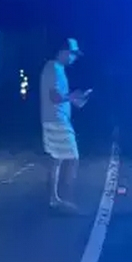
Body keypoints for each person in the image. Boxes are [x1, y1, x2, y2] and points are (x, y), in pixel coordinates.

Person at [39, 37, 91, 212]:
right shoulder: (53, 68)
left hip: (56, 119)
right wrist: (72, 96)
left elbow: (59, 96)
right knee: (72, 158)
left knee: (57, 160)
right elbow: (54, 97)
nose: (74, 58)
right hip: (56, 121)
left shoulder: (57, 69)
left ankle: (55, 199)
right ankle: (66, 199)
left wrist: (75, 100)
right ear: (64, 52)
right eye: (73, 54)